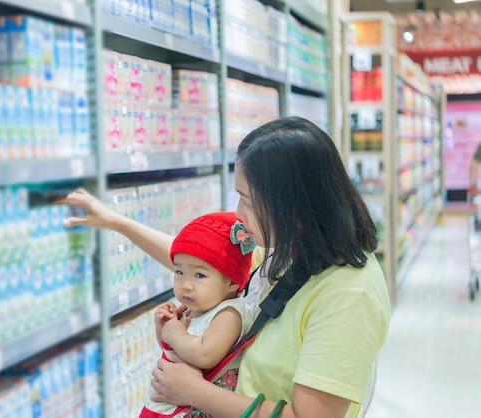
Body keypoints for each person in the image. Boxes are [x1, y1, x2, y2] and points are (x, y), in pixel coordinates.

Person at [62, 116, 391, 418]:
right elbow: (204, 266)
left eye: (248, 200)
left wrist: (195, 391)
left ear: (290, 205)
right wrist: (117, 222)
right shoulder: (292, 254)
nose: (238, 213)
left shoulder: (349, 293)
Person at [139, 211, 254, 417]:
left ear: (232, 282)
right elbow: (179, 350)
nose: (186, 285)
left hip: (192, 409)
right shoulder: (199, 308)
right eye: (179, 272)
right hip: (169, 403)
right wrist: (164, 330)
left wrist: (174, 332)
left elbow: (203, 355)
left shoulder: (228, 314)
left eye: (199, 275)